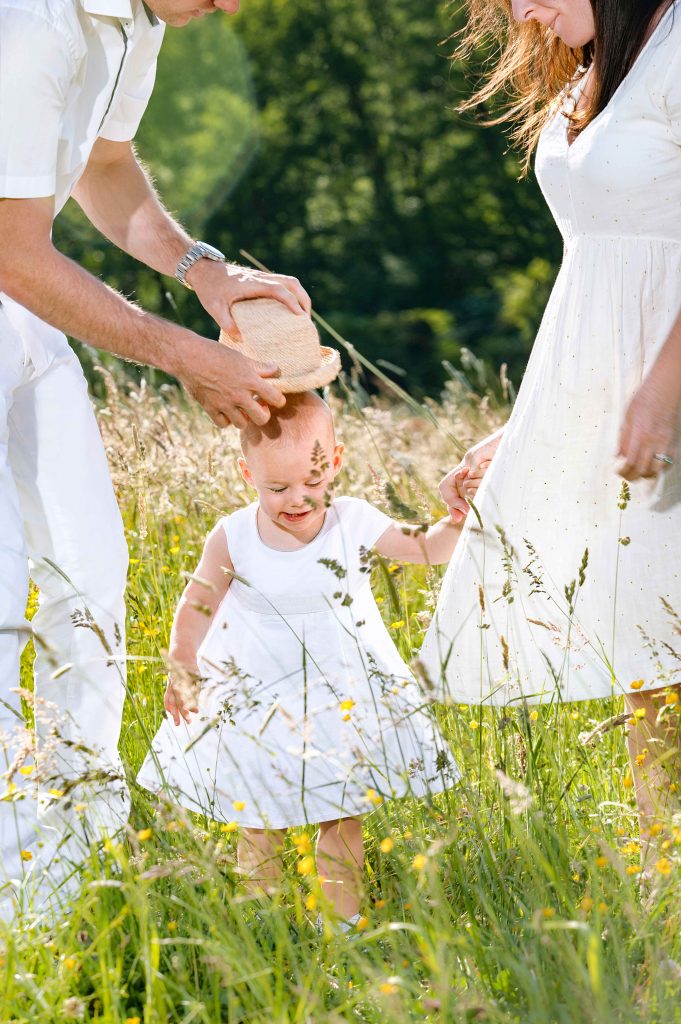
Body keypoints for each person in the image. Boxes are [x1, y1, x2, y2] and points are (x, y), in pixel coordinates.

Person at [0, 0, 310, 904]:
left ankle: (66, 866)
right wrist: (183, 354)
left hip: (19, 319)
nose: (232, 8)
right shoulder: (31, 23)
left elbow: (104, 164)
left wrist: (210, 275)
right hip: (12, 280)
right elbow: (14, 252)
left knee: (89, 579)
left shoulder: (141, 15)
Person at [421, 0, 681, 870]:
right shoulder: (592, 69)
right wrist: (532, 429)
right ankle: (662, 884)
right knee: (653, 646)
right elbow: (598, 280)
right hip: (627, 401)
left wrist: (660, 390)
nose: (522, 11)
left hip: (670, 386)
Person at [138, 313, 460, 926]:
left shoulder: (355, 522)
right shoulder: (233, 535)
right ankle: (261, 927)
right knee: (257, 820)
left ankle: (340, 929)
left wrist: (456, 519)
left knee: (341, 818)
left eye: (312, 480)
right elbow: (199, 600)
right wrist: (181, 662)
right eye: (277, 487)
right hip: (257, 697)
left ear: (334, 461)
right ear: (247, 475)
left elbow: (426, 549)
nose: (298, 500)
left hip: (340, 696)